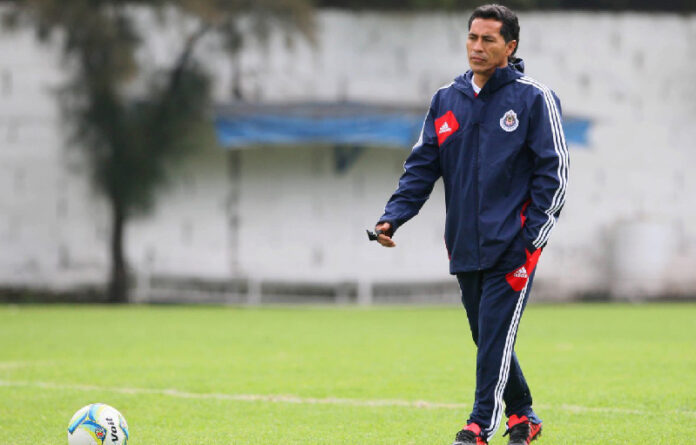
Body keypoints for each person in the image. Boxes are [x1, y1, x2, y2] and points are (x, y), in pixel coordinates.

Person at [373, 4, 568, 445]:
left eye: (488, 40)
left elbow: (554, 175)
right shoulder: (447, 99)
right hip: (464, 244)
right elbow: (422, 166)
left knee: (494, 335)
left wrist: (531, 238)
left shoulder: (534, 98)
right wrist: (393, 217)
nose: (477, 47)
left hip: (514, 246)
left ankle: (479, 425)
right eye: (472, 38)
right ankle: (523, 416)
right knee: (487, 337)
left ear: (510, 46)